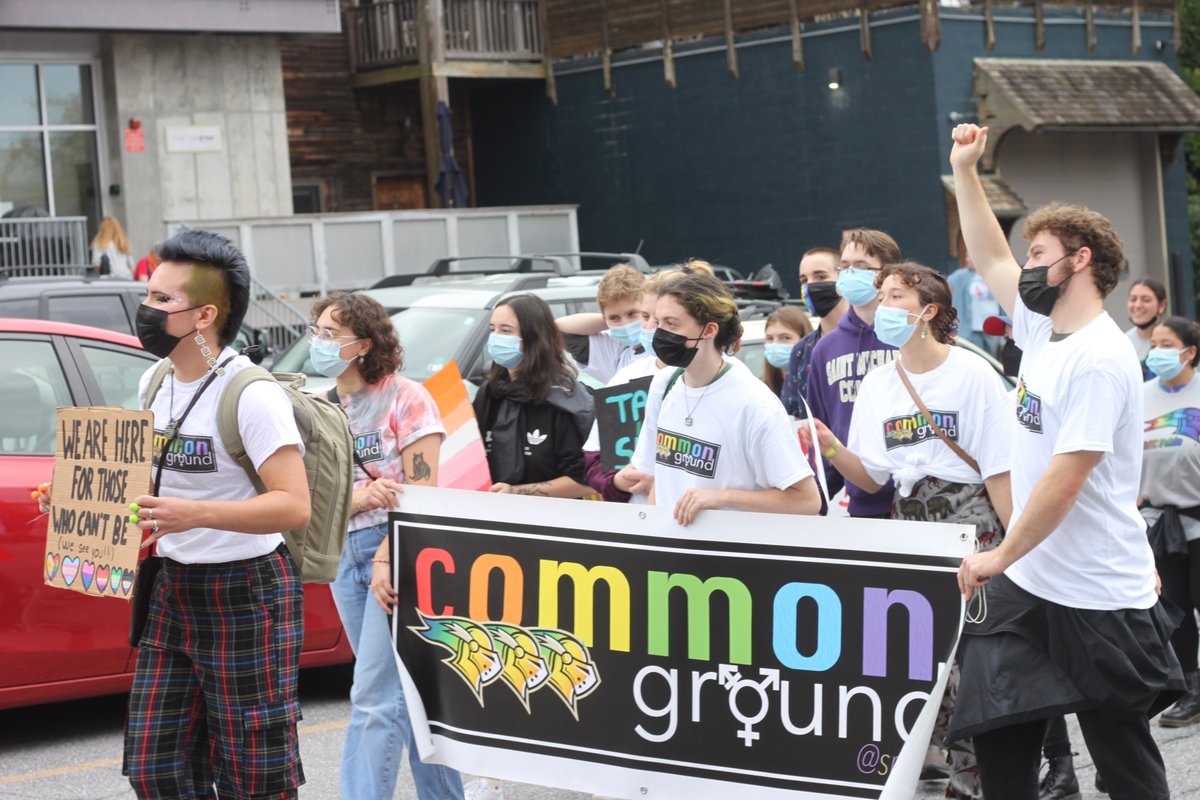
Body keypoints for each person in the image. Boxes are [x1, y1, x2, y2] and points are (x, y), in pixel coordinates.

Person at [950, 123, 1183, 800]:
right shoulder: (1042, 330)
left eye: (1039, 254)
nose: (1025, 267)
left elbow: (1066, 478)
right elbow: (990, 256)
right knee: (998, 731)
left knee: (1123, 761)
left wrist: (999, 553)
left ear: (1080, 260)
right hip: (1029, 583)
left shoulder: (1101, 358)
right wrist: (965, 170)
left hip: (1094, 592)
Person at [802, 261, 1013, 800]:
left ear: (928, 310)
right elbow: (872, 476)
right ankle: (950, 771)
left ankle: (981, 782)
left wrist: (1016, 550)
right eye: (883, 296)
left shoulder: (972, 374)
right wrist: (828, 444)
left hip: (972, 525)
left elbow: (1000, 471)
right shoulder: (879, 382)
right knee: (926, 662)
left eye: (896, 296)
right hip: (911, 529)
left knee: (977, 662)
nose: (883, 306)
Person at [119, 230, 310, 798]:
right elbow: (147, 485)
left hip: (247, 592)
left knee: (255, 775)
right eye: (147, 294)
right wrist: (80, 498)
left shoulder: (251, 394)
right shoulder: (154, 381)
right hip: (172, 587)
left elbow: (293, 505)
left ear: (204, 315)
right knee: (156, 768)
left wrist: (196, 513)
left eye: (162, 299)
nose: (146, 309)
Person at [309, 292, 463, 800]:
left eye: (331, 334)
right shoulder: (319, 408)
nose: (319, 342)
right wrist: (357, 500)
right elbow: (311, 499)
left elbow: (424, 494)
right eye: (316, 332)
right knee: (410, 691)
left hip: (396, 551)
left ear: (364, 345)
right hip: (343, 552)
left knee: (373, 693)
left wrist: (388, 556)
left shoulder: (406, 397)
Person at [626, 271, 821, 524]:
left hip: (730, 546)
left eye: (672, 324)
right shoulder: (664, 385)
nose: (660, 333)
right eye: (658, 322)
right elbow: (660, 479)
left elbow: (807, 500)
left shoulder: (754, 403)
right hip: (671, 547)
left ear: (709, 330)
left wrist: (721, 497)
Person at [804, 229, 901, 518]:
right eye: (844, 267)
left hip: (915, 499)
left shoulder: (907, 338)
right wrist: (817, 500)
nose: (850, 274)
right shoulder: (825, 349)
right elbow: (822, 430)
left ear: (887, 274)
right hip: (860, 503)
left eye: (861, 266)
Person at [581, 266, 697, 503]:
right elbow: (593, 459)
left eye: (665, 320)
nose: (650, 327)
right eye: (645, 317)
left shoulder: (721, 381)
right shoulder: (625, 378)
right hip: (637, 517)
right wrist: (616, 482)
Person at [474, 293, 595, 498]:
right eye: (492, 329)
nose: (496, 338)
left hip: (552, 516)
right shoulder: (491, 393)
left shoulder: (565, 400)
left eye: (506, 331)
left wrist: (516, 492)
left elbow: (586, 481)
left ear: (534, 337)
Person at [1141, 315, 1200, 728]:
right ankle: (1191, 690)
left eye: (1167, 345)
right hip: (1161, 520)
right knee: (1175, 606)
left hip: (1198, 515)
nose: (1157, 353)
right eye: (1154, 345)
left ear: (1189, 352)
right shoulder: (1141, 396)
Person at [557, 263, 649, 384]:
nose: (625, 324)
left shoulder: (669, 344)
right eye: (615, 317)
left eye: (632, 314)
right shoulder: (615, 350)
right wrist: (609, 322)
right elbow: (559, 328)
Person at [781, 246, 844, 417]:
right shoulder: (802, 350)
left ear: (844, 278)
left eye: (820, 277)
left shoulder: (872, 338)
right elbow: (793, 412)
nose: (810, 286)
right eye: (804, 280)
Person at [948, 257, 1000, 351]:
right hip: (972, 329)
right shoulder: (961, 275)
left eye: (971, 256)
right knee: (975, 355)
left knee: (991, 357)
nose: (967, 259)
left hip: (993, 325)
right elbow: (945, 284)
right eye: (967, 256)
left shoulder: (995, 274)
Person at [760, 305, 812, 398]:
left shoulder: (818, 384)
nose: (775, 344)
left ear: (804, 339)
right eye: (770, 338)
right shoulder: (760, 388)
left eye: (785, 338)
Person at [1126, 278, 1169, 377]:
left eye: (1146, 300)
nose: (1138, 305)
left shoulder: (1176, 339)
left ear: (1162, 306)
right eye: (1133, 299)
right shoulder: (1123, 342)